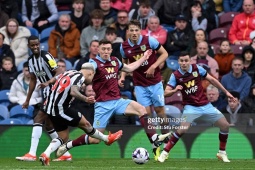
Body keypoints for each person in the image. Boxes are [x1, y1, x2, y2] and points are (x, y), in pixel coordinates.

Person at [56, 39, 171, 159]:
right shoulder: (94, 63)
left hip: (118, 101)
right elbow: (86, 70)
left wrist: (144, 57)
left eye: (108, 49)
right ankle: (69, 145)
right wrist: (83, 73)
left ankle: (154, 140)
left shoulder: (115, 61)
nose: (106, 52)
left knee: (142, 110)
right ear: (98, 50)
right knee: (95, 140)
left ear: (111, 50)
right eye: (103, 49)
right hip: (102, 105)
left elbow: (130, 68)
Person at [157, 51, 235, 163]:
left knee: (225, 125)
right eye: (182, 61)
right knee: (182, 129)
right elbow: (166, 92)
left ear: (190, 61)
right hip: (190, 107)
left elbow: (212, 80)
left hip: (205, 105)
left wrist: (226, 92)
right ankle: (164, 153)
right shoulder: (175, 75)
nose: (184, 63)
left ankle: (222, 153)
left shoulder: (197, 69)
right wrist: (175, 90)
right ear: (178, 61)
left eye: (186, 60)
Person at [38, 63, 122, 166]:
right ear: (91, 73)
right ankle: (106, 139)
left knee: (63, 136)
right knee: (86, 124)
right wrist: (86, 99)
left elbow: (56, 80)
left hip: (50, 108)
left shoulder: (69, 72)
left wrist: (48, 83)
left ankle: (45, 155)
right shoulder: (79, 76)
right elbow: (73, 91)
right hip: (60, 109)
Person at [15, 35, 72, 162]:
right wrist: (27, 100)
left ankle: (32, 153)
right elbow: (33, 80)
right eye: (32, 45)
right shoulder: (30, 61)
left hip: (55, 89)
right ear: (29, 46)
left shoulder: (46, 56)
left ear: (39, 44)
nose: (35, 47)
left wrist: (49, 82)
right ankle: (65, 153)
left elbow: (58, 71)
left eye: (37, 44)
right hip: (46, 92)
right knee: (48, 125)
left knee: (38, 118)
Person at [119, 19, 169, 160]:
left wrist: (154, 66)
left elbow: (164, 54)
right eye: (131, 30)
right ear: (127, 31)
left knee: (160, 112)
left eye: (136, 30)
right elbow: (125, 64)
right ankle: (155, 145)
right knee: (146, 114)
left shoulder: (149, 41)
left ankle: (166, 142)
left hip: (155, 82)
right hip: (140, 84)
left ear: (140, 31)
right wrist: (122, 76)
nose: (134, 33)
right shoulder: (124, 47)